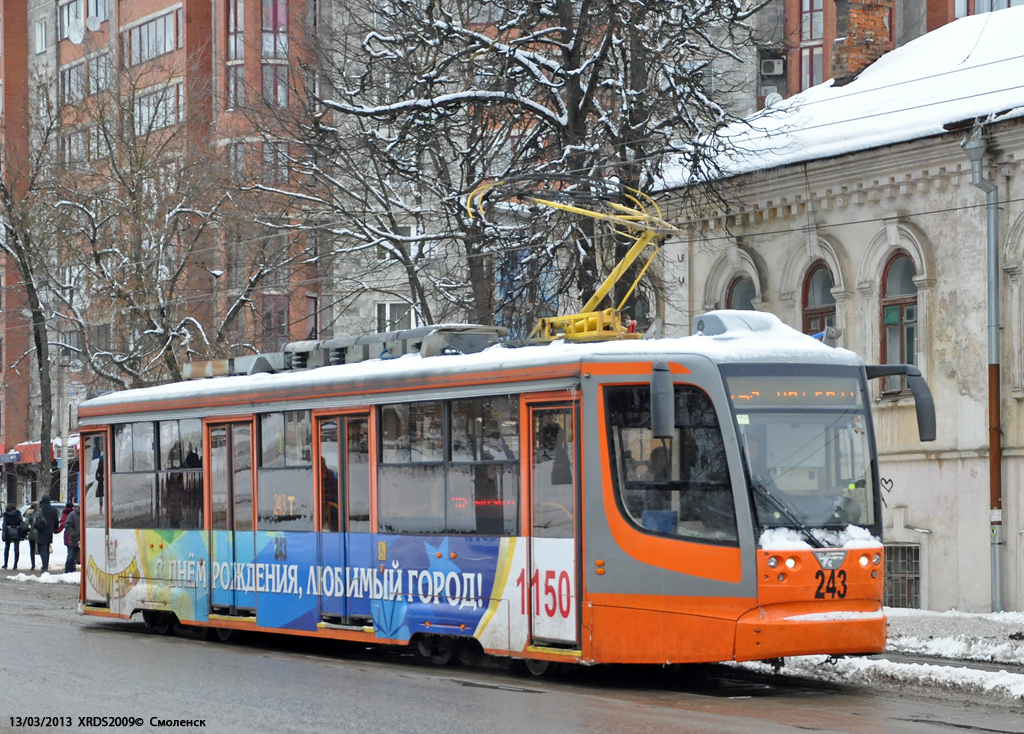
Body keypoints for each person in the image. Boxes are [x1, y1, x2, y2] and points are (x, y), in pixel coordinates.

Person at [35, 495, 61, 573]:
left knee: (42, 548)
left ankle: (45, 566)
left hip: (40, 530)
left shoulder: (39, 508)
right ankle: (45, 565)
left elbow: (34, 519)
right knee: (46, 547)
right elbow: (56, 520)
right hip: (49, 530)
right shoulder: (53, 509)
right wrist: (55, 528)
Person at [60, 503, 80, 573]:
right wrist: (72, 534)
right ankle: (68, 571)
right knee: (71, 556)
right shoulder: (72, 515)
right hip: (74, 539)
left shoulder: (87, 514)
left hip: (84, 540)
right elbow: (67, 525)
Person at [2, 502, 23, 569]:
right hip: (17, 532)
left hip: (9, 532)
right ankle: (15, 565)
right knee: (16, 549)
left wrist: (3, 535)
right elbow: (21, 523)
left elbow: (4, 525)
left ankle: (5, 564)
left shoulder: (6, 515)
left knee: (7, 548)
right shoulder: (18, 513)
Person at [24, 502, 38, 570]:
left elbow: (26, 524)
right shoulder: (40, 514)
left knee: (32, 550)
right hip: (39, 533)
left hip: (31, 534)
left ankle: (33, 564)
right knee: (41, 549)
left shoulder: (29, 514)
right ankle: (44, 564)